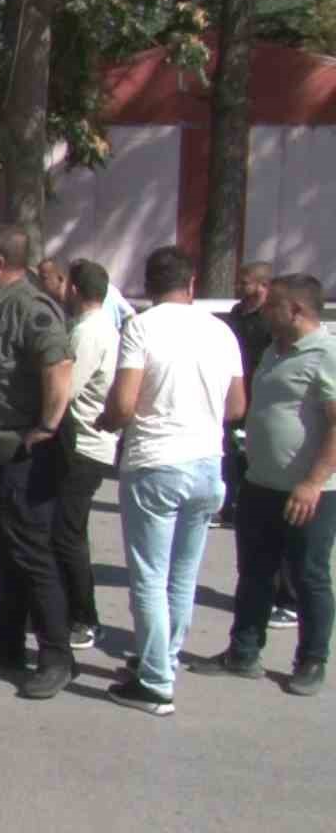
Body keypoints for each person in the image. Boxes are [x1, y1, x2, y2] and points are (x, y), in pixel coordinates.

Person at [94, 247, 244, 715]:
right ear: (192, 283)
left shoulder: (142, 326)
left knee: (150, 576)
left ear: (148, 285)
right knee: (182, 575)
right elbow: (237, 407)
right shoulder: (220, 331)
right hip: (207, 462)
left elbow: (124, 402)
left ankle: (155, 681)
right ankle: (164, 659)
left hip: (157, 460)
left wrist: (107, 420)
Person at [191, 274, 335, 697]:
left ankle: (311, 659)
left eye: (273, 306)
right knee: (254, 572)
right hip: (261, 485)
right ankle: (244, 651)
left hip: (310, 492)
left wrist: (312, 482)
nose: (264, 312)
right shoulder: (276, 348)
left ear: (296, 310)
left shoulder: (325, 354)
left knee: (309, 576)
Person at [0, 226, 76, 700]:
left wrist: (45, 427)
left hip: (25, 452)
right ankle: (6, 641)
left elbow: (59, 369)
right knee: (3, 550)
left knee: (33, 554)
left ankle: (56, 655)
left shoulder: (30, 306)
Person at [55, 260, 119, 650]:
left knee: (66, 534)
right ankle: (71, 610)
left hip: (84, 446)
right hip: (84, 444)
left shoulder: (89, 333)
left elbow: (66, 388)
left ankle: (84, 617)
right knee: (67, 532)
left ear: (75, 289)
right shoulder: (89, 328)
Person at [221, 263, 274, 526]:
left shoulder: (271, 317)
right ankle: (228, 505)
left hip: (260, 393)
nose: (238, 287)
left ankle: (250, 505)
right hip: (235, 389)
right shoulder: (236, 312)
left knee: (252, 452)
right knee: (230, 450)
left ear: (263, 286)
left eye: (245, 282)